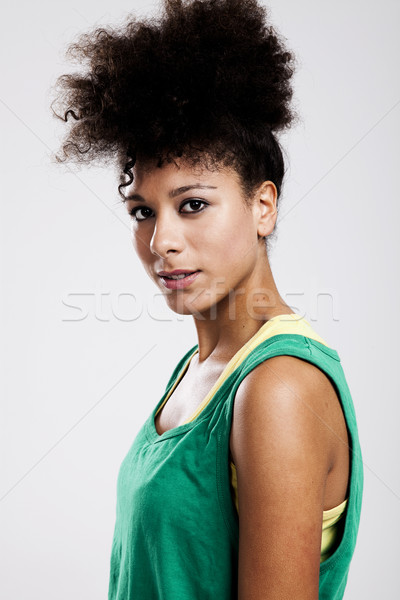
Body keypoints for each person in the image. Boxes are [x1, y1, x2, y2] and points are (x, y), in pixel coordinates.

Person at [52, 1, 363, 598]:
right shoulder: (199, 371)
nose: (161, 240)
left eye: (192, 204)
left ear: (262, 206)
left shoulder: (278, 387)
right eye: (144, 211)